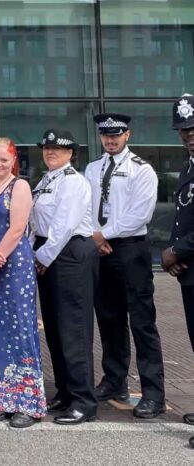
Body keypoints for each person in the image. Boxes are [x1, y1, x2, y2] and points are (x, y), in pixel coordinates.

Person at [85, 113, 165, 419]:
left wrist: (102, 233)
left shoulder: (141, 170)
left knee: (142, 321)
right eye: (106, 135)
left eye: (116, 135)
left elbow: (140, 215)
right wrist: (95, 237)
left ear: (127, 135)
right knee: (109, 318)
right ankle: (114, 380)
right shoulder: (93, 169)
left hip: (131, 249)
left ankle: (153, 394)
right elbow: (87, 206)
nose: (110, 139)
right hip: (101, 249)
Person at [0, 137, 47, 428]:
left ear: (13, 160)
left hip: (14, 264)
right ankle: (2, 399)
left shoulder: (20, 186)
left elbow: (17, 228)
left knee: (21, 327)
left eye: (4, 159)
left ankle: (28, 402)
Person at [30, 129, 98, 425]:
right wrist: (37, 254)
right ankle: (66, 391)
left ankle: (84, 400)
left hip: (69, 253)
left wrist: (42, 257)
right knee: (56, 329)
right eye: (46, 148)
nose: (50, 152)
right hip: (49, 252)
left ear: (71, 152)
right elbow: (36, 221)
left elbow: (64, 225)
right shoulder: (46, 180)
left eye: (57, 149)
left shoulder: (74, 182)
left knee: (73, 329)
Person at [161, 93, 194, 448]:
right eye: (183, 129)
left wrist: (175, 251)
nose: (189, 134)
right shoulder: (188, 164)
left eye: (193, 127)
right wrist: (175, 254)